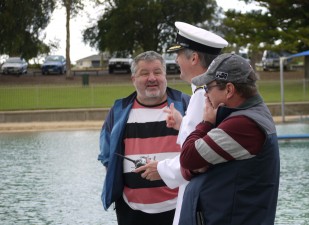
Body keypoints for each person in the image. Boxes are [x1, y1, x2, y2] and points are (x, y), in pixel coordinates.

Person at [134, 21, 228, 225]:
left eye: (178, 54)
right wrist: (182, 123)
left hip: (201, 199)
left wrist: (160, 168)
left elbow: (199, 159)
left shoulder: (202, 96)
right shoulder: (210, 91)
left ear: (194, 58)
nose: (175, 60)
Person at [179, 53, 280, 225]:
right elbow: (189, 166)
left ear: (229, 90)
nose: (205, 95)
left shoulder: (243, 124)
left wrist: (205, 123)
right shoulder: (248, 115)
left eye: (208, 88)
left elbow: (187, 157)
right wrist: (195, 166)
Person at [98, 50, 190, 225]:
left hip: (179, 208)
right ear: (133, 79)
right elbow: (107, 156)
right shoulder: (118, 111)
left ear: (165, 76)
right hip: (131, 211)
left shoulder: (186, 104)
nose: (152, 78)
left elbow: (201, 150)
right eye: (144, 73)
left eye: (157, 72)